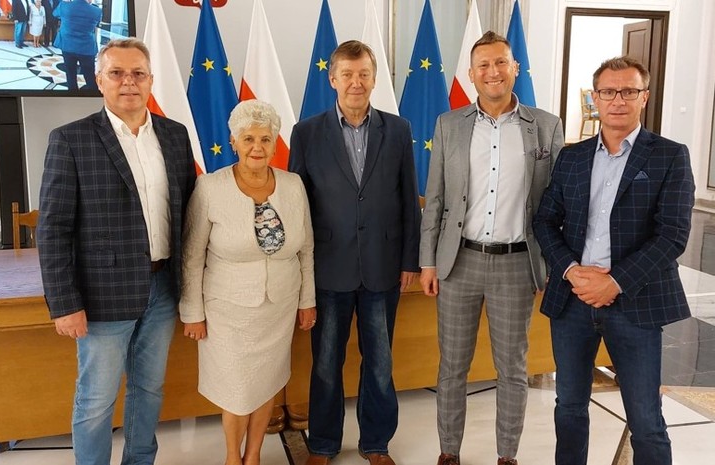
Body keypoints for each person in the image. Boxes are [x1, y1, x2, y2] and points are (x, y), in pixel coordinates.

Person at [37, 38, 197, 465]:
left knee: (149, 389)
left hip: (163, 288)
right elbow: (52, 229)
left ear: (150, 80)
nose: (129, 82)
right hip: (101, 295)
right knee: (96, 398)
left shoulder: (175, 135)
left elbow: (189, 212)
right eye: (117, 73)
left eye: (138, 73)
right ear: (99, 80)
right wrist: (65, 304)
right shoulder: (71, 139)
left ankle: (140, 460)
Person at [533, 56, 694, 465]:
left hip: (635, 303)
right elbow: (545, 220)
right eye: (608, 91)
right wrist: (572, 271)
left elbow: (672, 235)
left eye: (628, 91)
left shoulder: (669, 156)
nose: (618, 100)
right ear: (596, 97)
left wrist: (614, 282)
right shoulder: (572, 157)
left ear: (644, 96)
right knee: (569, 407)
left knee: (645, 419)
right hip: (572, 301)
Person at [419, 31, 564, 465]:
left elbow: (558, 202)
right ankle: (449, 451)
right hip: (458, 262)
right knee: (452, 366)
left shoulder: (546, 125)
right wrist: (428, 262)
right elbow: (436, 199)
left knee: (513, 369)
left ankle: (507, 456)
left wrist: (552, 263)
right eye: (483, 65)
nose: (493, 72)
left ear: (514, 68)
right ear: (472, 73)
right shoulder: (449, 124)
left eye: (501, 62)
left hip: (517, 265)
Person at [289, 40, 421, 465]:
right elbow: (297, 205)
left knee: (380, 362)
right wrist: (301, 271)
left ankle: (376, 443)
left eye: (363, 73)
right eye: (347, 74)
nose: (356, 82)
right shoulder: (306, 132)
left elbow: (408, 198)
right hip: (329, 268)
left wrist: (410, 260)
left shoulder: (397, 130)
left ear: (374, 78)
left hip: (384, 267)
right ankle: (323, 444)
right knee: (326, 363)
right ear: (332, 79)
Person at [180, 99, 316, 465]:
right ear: (234, 143)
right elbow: (191, 256)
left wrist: (307, 301)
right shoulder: (210, 187)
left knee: (266, 382)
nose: (257, 147)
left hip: (279, 307)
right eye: (249, 139)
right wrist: (192, 312)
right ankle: (231, 457)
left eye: (266, 139)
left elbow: (306, 248)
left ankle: (253, 455)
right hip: (227, 311)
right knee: (237, 390)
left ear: (275, 143)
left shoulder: (293, 184)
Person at [53, 0, 101, 91]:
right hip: (87, 48)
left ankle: (73, 94)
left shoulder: (64, 6)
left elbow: (55, 13)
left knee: (70, 74)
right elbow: (96, 25)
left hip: (68, 46)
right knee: (90, 76)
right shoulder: (96, 11)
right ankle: (93, 95)